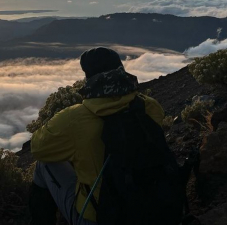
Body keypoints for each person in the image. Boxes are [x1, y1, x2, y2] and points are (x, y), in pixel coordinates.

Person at [29, 47, 165, 225]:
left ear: (89, 78)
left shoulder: (75, 118)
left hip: (100, 218)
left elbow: (38, 148)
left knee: (44, 165)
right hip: (155, 210)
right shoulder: (150, 107)